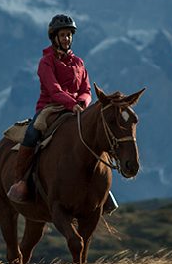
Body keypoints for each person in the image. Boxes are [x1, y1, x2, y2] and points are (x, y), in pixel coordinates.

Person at [7, 14, 118, 213]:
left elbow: (86, 90)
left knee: (97, 133)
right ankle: (21, 181)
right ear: (54, 38)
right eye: (63, 35)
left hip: (76, 108)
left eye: (69, 35)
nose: (66, 38)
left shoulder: (79, 63)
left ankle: (103, 187)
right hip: (51, 108)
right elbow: (54, 89)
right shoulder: (46, 62)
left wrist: (82, 104)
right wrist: (70, 103)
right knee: (33, 133)